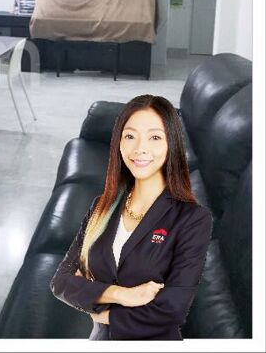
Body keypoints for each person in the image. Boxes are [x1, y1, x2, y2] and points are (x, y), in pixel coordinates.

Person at [50, 94, 213, 340]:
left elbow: (172, 310)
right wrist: (121, 295)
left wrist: (104, 313)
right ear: (119, 143)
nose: (139, 149)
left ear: (172, 144)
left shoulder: (193, 219)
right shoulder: (101, 207)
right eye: (130, 136)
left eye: (155, 137)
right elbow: (61, 282)